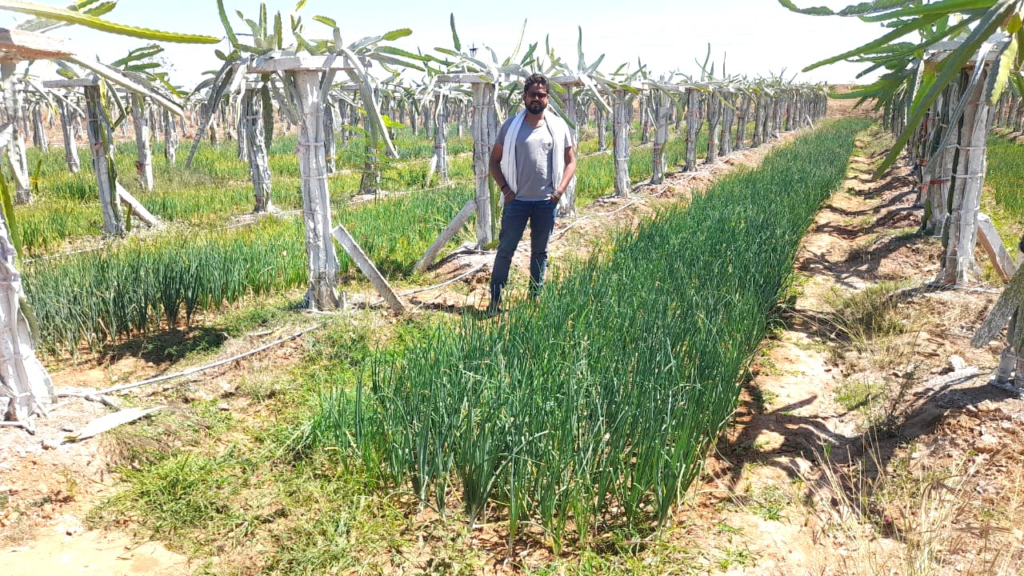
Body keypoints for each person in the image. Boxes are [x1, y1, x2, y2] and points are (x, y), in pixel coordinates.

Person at [487, 73, 577, 312]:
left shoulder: (557, 127)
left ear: (547, 98)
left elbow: (571, 161)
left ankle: (535, 298)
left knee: (540, 252)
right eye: (532, 94)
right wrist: (506, 190)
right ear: (524, 97)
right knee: (505, 250)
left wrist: (558, 193)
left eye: (541, 95)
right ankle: (495, 300)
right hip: (516, 202)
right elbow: (493, 161)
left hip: (546, 203)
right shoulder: (510, 127)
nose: (536, 98)